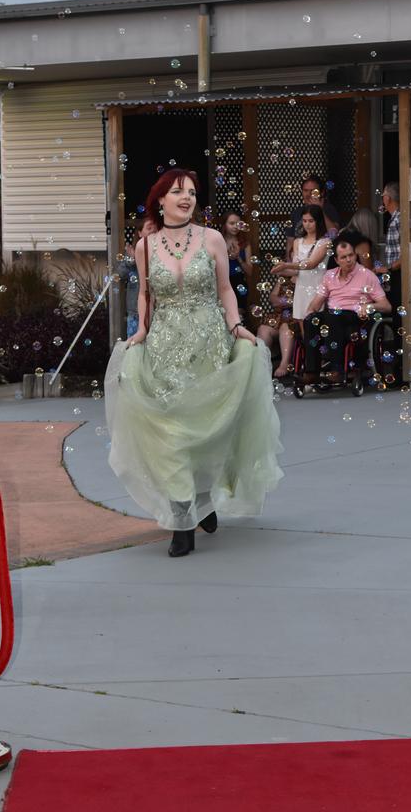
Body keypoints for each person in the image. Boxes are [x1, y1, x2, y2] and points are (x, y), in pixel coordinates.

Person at [105, 169, 283, 558]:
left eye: (190, 192)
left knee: (208, 426)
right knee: (171, 431)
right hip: (165, 346)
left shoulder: (212, 238)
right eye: (176, 192)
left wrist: (236, 325)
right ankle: (181, 517)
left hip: (209, 342)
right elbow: (145, 297)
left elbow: (225, 289)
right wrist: (140, 333)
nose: (185, 198)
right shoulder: (146, 246)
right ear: (160, 200)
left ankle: (204, 497)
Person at [302, 238, 391, 384]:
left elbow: (386, 305)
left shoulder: (367, 275)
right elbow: (316, 303)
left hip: (355, 315)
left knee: (333, 317)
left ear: (355, 255)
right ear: (337, 260)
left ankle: (337, 369)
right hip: (333, 314)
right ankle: (311, 371)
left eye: (351, 255)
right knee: (311, 319)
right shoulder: (329, 276)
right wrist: (310, 313)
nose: (349, 260)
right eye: (344, 257)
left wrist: (369, 307)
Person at [271, 205, 330, 330]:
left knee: (316, 328)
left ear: (318, 221)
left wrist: (286, 264)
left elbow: (311, 264)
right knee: (304, 329)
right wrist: (280, 270)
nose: (307, 225)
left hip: (317, 288)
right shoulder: (297, 241)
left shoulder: (325, 242)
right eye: (304, 221)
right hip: (301, 289)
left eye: (311, 221)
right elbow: (296, 270)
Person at [285, 176, 340, 259]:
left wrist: (321, 210)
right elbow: (290, 241)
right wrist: (288, 263)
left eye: (313, 191)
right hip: (300, 259)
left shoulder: (329, 209)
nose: (308, 194)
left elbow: (334, 233)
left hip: (323, 258)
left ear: (322, 192)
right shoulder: (296, 212)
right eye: (305, 190)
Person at [257, 276, 296, 378]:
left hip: (296, 315)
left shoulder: (307, 277)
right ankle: (263, 366)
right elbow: (273, 297)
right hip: (279, 315)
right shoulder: (283, 277)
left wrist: (284, 302)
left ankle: (284, 364)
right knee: (263, 329)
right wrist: (286, 301)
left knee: (285, 326)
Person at [220, 210, 253, 316]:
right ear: (225, 224)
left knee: (238, 316)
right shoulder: (217, 241)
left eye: (238, 224)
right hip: (221, 282)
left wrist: (238, 258)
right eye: (231, 223)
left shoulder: (245, 244)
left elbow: (250, 271)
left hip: (238, 282)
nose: (235, 227)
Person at [381, 182, 401, 312]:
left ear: (387, 198)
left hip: (399, 274)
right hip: (395, 274)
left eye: (383, 195)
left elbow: (406, 252)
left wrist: (388, 267)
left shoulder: (398, 220)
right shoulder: (396, 218)